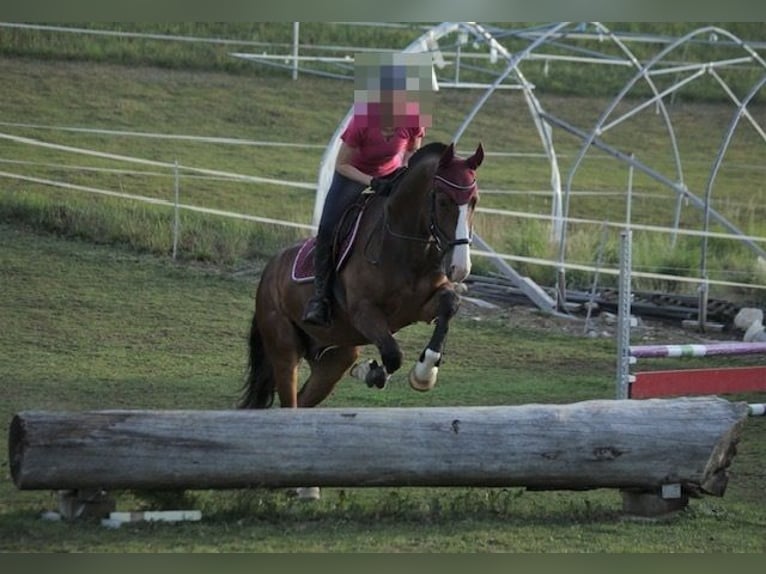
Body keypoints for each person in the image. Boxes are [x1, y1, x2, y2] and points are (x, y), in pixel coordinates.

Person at [302, 52, 433, 327]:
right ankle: (320, 298)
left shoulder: (414, 117)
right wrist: (372, 183)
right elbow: (341, 165)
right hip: (353, 175)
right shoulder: (362, 120)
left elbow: (412, 153)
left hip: (391, 174)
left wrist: (404, 176)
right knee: (327, 229)